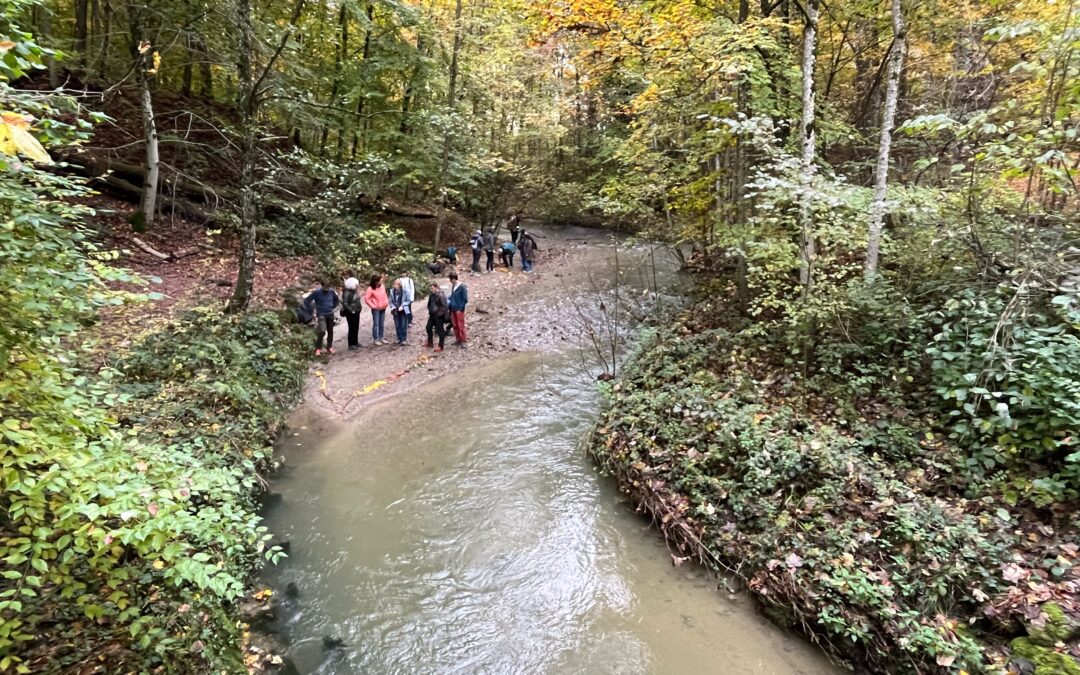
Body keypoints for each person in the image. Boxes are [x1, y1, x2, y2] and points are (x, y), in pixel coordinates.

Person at [304, 278, 339, 355]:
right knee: (322, 331)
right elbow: (306, 301)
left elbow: (336, 299)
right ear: (321, 286)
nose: (326, 289)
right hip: (321, 314)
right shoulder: (317, 292)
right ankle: (318, 348)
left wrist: (333, 306)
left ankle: (329, 347)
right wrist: (311, 310)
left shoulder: (331, 291)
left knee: (330, 331)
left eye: (328, 287)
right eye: (325, 287)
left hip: (330, 314)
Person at [363, 273, 389, 345]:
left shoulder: (382, 286)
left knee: (381, 323)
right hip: (376, 309)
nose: (381, 281)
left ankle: (381, 337)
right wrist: (373, 306)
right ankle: (376, 339)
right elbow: (367, 299)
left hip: (383, 307)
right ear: (376, 281)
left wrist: (386, 302)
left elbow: (385, 295)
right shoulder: (370, 289)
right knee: (376, 324)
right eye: (380, 280)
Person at [341, 272, 363, 351]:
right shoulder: (347, 293)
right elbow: (345, 303)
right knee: (352, 328)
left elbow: (356, 300)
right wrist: (352, 311)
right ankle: (351, 344)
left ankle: (355, 342)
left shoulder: (354, 291)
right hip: (351, 313)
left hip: (356, 311)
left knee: (356, 327)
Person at [425, 281, 449, 352]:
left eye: (432, 288)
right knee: (428, 327)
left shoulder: (441, 295)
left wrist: (438, 315)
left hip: (439, 316)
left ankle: (441, 346)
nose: (431, 290)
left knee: (440, 331)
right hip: (432, 315)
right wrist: (430, 310)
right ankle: (430, 342)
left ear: (436, 287)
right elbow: (429, 304)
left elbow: (444, 307)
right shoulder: (431, 295)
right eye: (430, 288)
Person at [447, 270, 468, 348]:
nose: (450, 281)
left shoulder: (462, 287)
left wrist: (460, 308)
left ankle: (463, 340)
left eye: (451, 279)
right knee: (455, 325)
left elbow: (465, 299)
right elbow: (452, 296)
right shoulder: (453, 286)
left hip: (459, 309)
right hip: (453, 308)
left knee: (460, 325)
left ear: (454, 279)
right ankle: (458, 339)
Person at [389, 279, 411, 345]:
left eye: (398, 284)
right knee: (397, 325)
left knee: (403, 325)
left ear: (400, 285)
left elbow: (408, 300)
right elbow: (390, 302)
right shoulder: (392, 292)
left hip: (403, 311)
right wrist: (393, 307)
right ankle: (399, 338)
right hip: (395, 311)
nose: (396, 286)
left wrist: (403, 306)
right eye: (395, 284)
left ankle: (404, 339)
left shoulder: (405, 291)